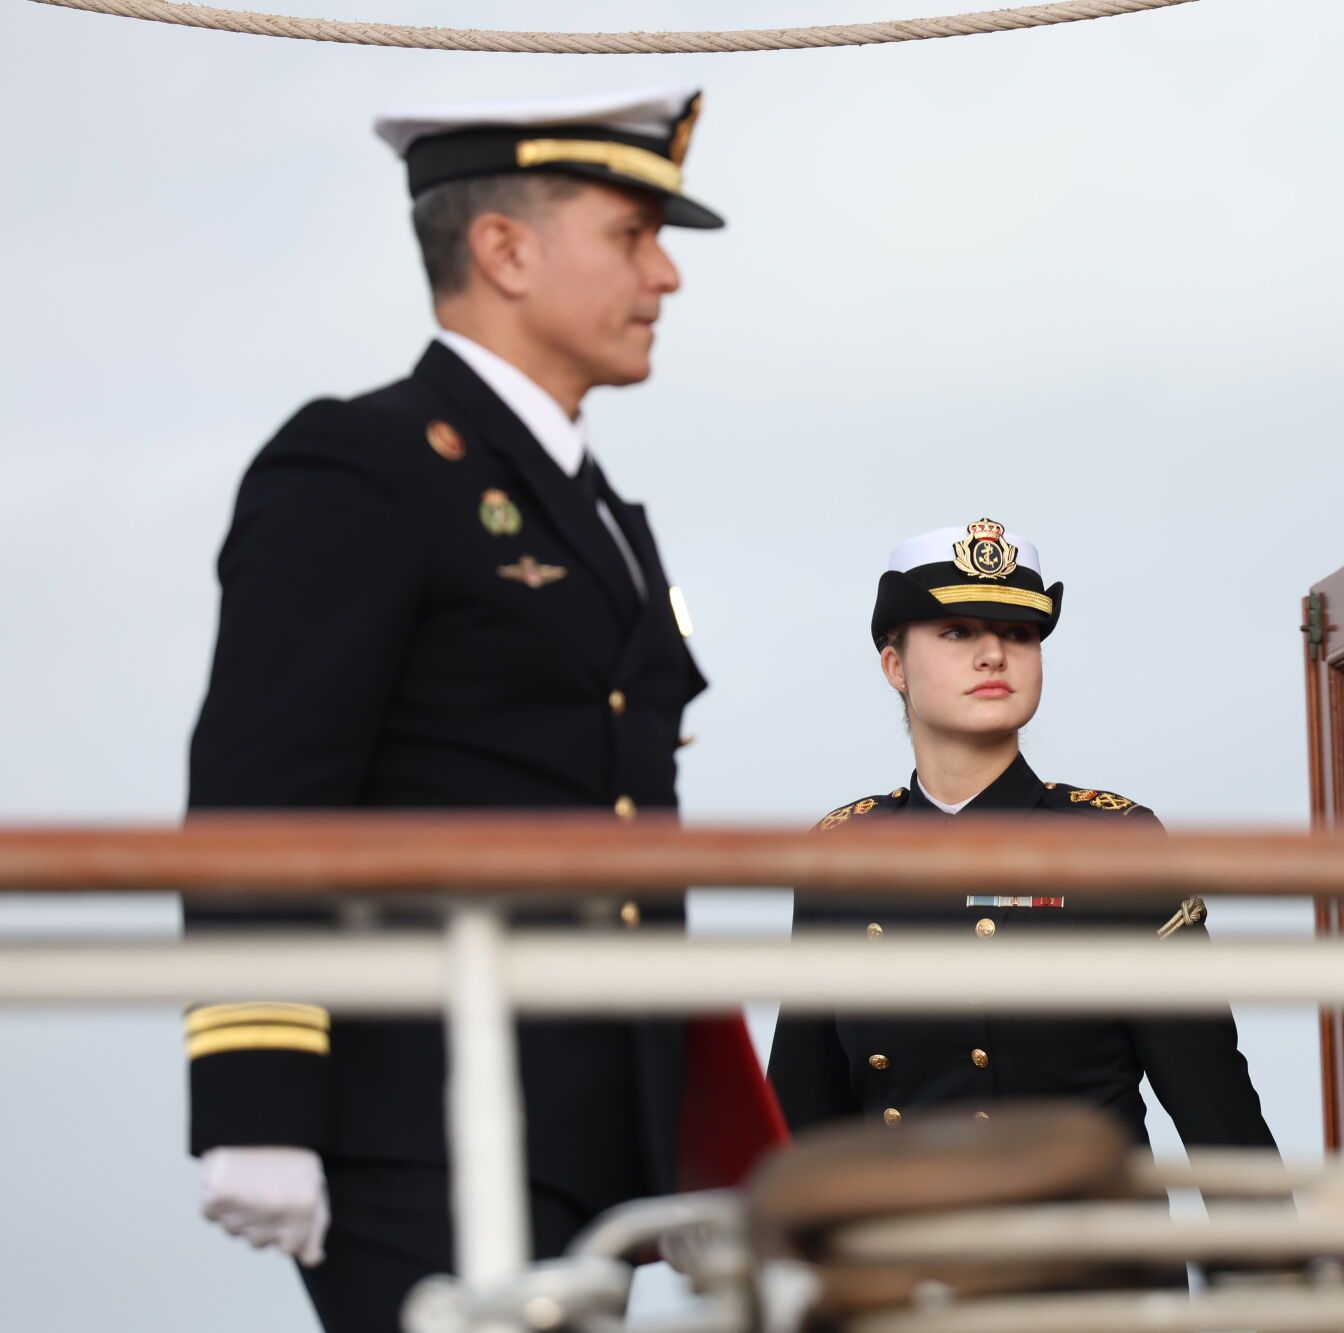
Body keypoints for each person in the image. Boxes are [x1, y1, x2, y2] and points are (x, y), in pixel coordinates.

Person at [183, 87, 778, 1330]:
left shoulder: (601, 513)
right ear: (504, 250)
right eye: (631, 235)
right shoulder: (367, 464)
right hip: (418, 1110)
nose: (664, 275)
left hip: (586, 1119)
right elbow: (264, 783)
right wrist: (256, 1092)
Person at [766, 518, 1276, 1152]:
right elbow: (801, 1115)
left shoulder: (1114, 845)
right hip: (902, 1246)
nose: (993, 655)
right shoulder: (843, 854)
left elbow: (1214, 1104)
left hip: (1086, 1243)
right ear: (894, 666)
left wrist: (1273, 1253)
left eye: (1018, 634)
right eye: (957, 632)